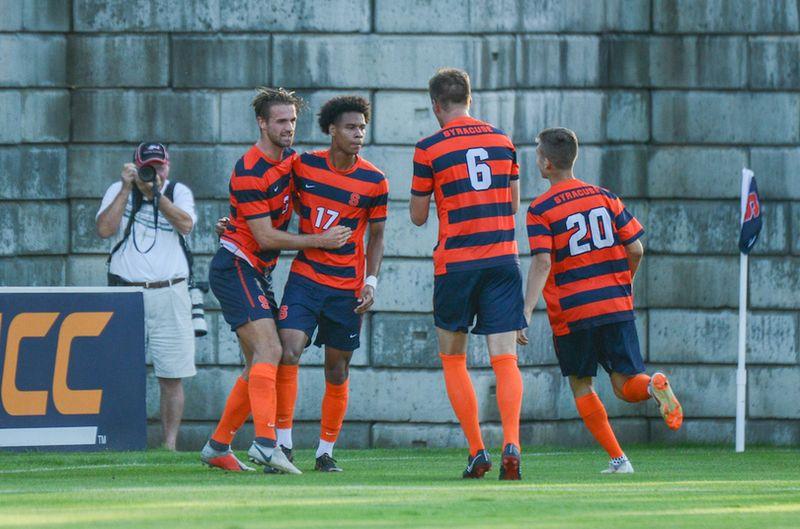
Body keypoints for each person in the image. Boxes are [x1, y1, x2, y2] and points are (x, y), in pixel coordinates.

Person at [200, 87, 351, 474]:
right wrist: (319, 240)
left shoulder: (292, 162)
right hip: (235, 267)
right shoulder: (249, 169)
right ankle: (267, 444)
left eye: (293, 121)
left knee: (259, 366)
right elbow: (265, 237)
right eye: (281, 121)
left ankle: (218, 446)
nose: (289, 128)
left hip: (256, 270)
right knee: (272, 350)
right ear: (262, 123)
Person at [519, 127, 683, 474]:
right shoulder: (605, 197)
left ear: (547, 164)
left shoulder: (540, 209)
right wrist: (622, 283)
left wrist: (526, 310)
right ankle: (653, 387)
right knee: (626, 385)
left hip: (573, 311)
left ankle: (619, 459)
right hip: (615, 305)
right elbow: (636, 247)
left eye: (537, 155)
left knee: (582, 384)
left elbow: (542, 261)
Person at [409, 68, 525, 480]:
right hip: (503, 260)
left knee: (453, 358)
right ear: (470, 99)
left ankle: (478, 451)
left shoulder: (428, 148)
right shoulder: (503, 141)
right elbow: (512, 206)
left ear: (436, 105)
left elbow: (419, 217)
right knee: (505, 358)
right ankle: (511, 440)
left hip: (456, 263)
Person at [273, 95, 388, 472]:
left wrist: (371, 281)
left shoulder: (375, 181)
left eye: (362, 128)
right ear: (331, 130)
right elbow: (272, 201)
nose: (359, 134)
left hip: (346, 288)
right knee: (288, 350)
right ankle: (282, 445)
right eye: (351, 128)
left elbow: (376, 236)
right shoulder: (302, 165)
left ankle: (325, 451)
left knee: (336, 370)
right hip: (305, 279)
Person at [96, 142, 197, 451]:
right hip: (127, 293)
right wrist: (128, 189)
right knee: (122, 372)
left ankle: (169, 444)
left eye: (160, 166)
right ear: (134, 166)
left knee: (172, 374)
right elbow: (103, 229)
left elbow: (186, 224)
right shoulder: (119, 188)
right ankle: (123, 440)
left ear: (168, 166)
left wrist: (156, 195)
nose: (154, 172)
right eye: (148, 166)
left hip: (170, 291)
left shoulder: (178, 191)